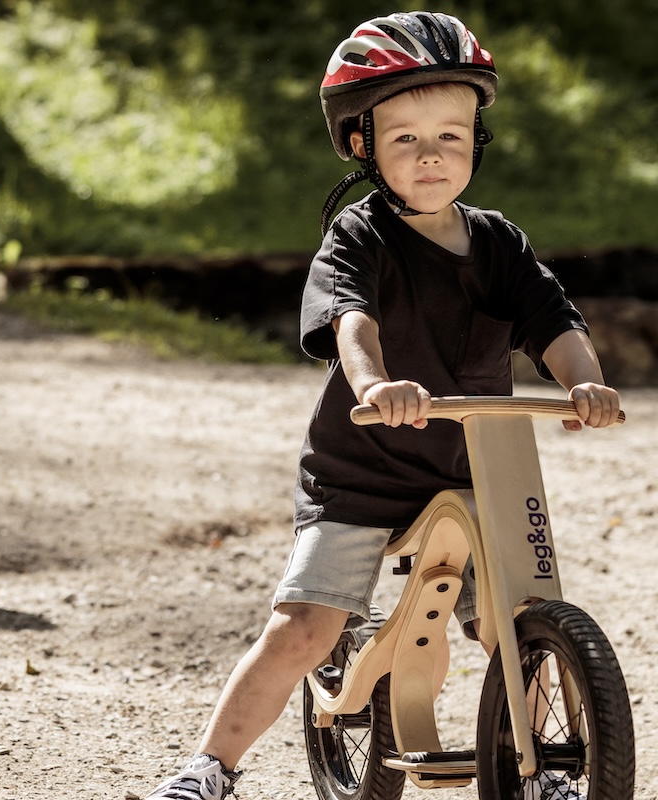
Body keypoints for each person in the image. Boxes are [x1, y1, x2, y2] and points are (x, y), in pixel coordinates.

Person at [144, 12, 618, 800]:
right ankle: (210, 768)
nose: (431, 155)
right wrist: (374, 384)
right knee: (304, 630)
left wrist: (585, 382)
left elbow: (554, 323)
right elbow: (349, 320)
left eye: (451, 136)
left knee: (522, 617)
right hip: (361, 467)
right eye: (405, 139)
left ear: (477, 140)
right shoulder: (358, 237)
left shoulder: (500, 243)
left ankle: (540, 770)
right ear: (363, 145)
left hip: (473, 463)